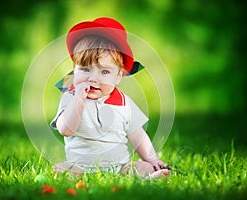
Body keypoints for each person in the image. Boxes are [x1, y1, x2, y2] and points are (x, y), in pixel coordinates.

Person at [50, 17, 171, 178]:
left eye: (104, 72)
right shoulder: (70, 96)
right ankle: (79, 174)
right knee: (61, 169)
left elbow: (137, 135)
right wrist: (78, 101)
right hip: (81, 167)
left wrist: (152, 158)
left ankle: (151, 176)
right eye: (85, 69)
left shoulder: (124, 103)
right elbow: (65, 130)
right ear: (74, 70)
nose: (93, 78)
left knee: (144, 167)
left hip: (119, 167)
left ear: (118, 76)